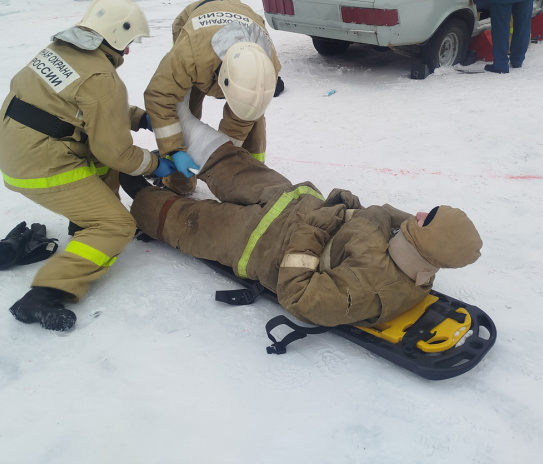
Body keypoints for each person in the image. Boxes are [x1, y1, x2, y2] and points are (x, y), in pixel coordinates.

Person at [120, 97, 483, 328]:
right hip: (293, 201)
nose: (418, 213)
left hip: (259, 241)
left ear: (428, 241)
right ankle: (182, 121)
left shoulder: (371, 288)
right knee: (235, 165)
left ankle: (134, 188)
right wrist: (344, 203)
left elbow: (299, 294)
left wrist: (313, 230)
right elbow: (379, 214)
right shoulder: (411, 242)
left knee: (191, 222)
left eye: (427, 218)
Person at [0, 0, 176, 331]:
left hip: (14, 143)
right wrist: (154, 164)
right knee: (117, 225)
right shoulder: (102, 80)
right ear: (114, 36)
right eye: (129, 42)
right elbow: (117, 152)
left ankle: (84, 222)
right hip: (39, 164)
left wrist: (136, 117)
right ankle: (46, 293)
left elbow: (72, 106)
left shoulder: (58, 51)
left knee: (102, 163)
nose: (129, 51)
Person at [143, 0, 281, 195]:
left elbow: (239, 123)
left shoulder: (267, 67)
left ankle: (252, 179)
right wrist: (174, 149)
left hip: (243, 19)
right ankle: (178, 180)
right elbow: (160, 96)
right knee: (183, 111)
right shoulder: (189, 53)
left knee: (251, 114)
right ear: (221, 79)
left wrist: (226, 160)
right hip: (196, 33)